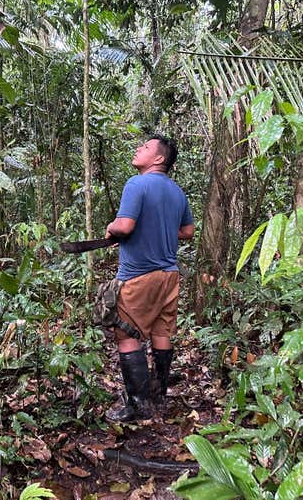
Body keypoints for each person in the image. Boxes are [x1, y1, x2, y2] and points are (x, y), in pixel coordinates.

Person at [104, 134, 194, 422]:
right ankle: (158, 396)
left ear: (158, 159)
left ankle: (137, 405)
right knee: (161, 332)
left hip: (139, 275)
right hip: (169, 276)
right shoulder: (177, 192)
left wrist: (111, 227)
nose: (137, 148)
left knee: (126, 334)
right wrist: (159, 230)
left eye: (144, 147)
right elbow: (188, 231)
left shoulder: (137, 184)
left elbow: (125, 225)